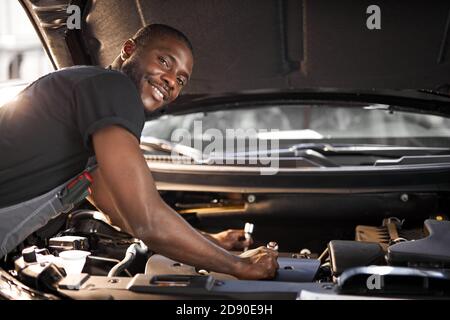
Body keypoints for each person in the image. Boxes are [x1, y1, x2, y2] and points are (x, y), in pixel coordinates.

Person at [0, 24, 278, 279]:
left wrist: (212, 241)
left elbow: (119, 212)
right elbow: (146, 220)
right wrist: (238, 266)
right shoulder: (114, 87)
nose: (171, 80)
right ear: (129, 50)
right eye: (164, 61)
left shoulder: (96, 116)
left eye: (181, 80)